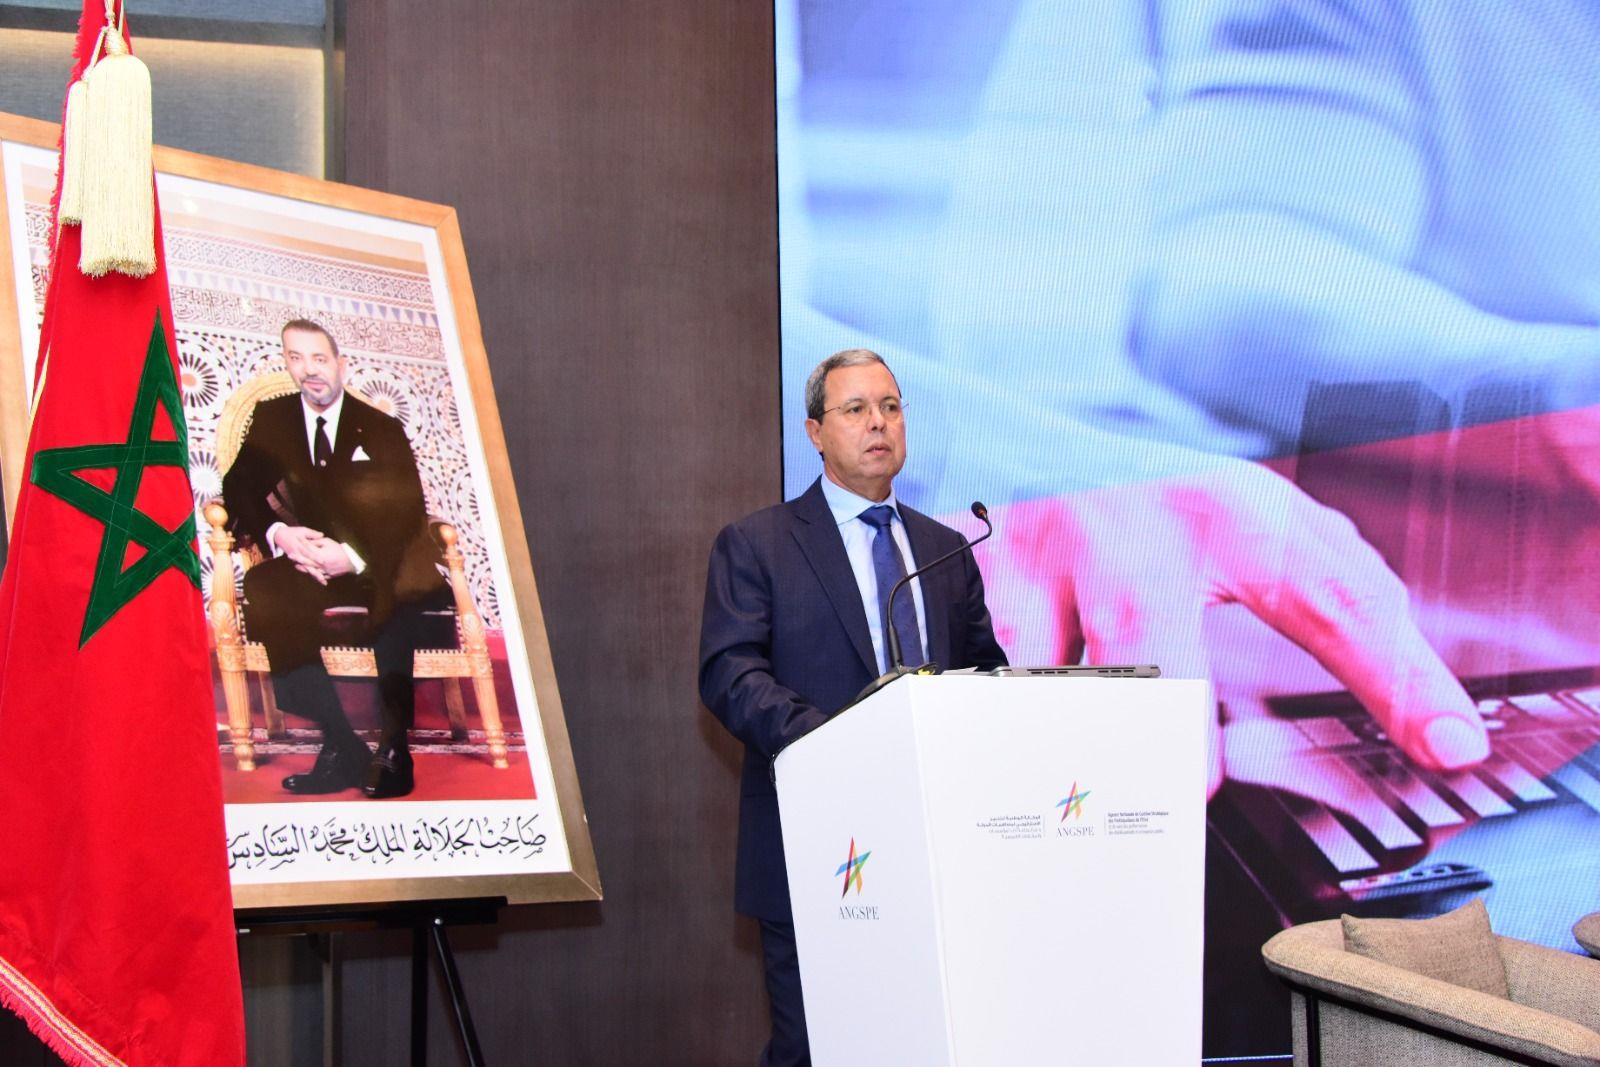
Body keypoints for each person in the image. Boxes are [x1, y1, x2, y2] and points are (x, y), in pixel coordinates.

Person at [699, 348, 1007, 1066]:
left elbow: (983, 671)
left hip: (935, 853)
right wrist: (839, 743)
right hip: (816, 847)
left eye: (891, 407)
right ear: (814, 431)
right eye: (857, 409)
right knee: (816, 1049)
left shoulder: (946, 548)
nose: (878, 423)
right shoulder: (758, 544)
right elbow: (729, 673)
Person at [221, 319, 446, 799]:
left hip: (376, 564)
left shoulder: (381, 427)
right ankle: (342, 744)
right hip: (309, 562)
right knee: (266, 588)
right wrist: (282, 535)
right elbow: (238, 486)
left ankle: (394, 748)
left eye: (319, 359)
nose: (309, 370)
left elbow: (407, 510)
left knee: (394, 598)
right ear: (287, 363)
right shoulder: (273, 417)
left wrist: (351, 556)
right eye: (296, 358)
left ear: (341, 364)